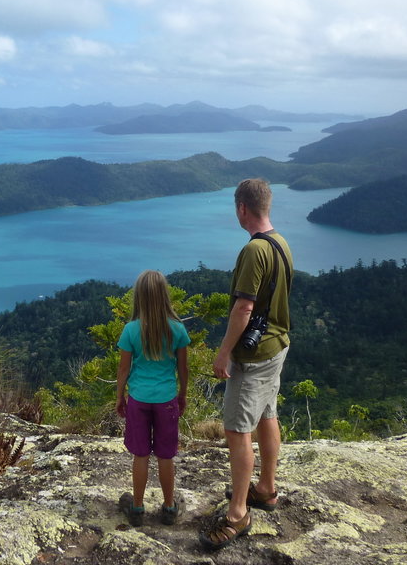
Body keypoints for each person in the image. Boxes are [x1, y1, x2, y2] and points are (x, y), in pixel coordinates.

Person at [199, 178, 293, 550]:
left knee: (238, 430)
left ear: (242, 208)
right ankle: (266, 488)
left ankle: (238, 513)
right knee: (267, 414)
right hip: (277, 345)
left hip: (253, 357)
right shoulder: (281, 242)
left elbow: (244, 307)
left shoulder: (254, 250)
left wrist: (224, 353)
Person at [116, 269, 190, 527]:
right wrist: (182, 394)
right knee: (165, 455)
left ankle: (137, 508)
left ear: (139, 298)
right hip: (166, 399)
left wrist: (119, 398)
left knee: (141, 455)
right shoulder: (177, 329)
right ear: (164, 296)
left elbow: (124, 369)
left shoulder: (130, 330)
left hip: (138, 399)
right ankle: (169, 508)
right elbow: (183, 368)